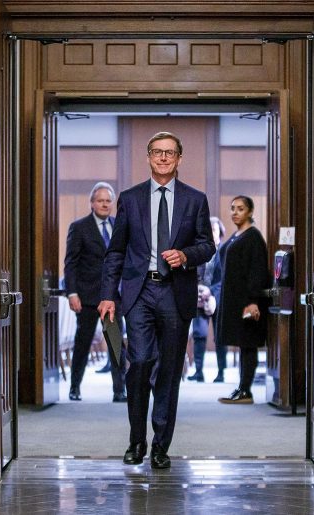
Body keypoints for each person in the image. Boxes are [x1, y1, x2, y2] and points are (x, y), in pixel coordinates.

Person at [98, 132, 215, 469]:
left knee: (168, 372)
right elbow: (116, 251)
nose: (163, 158)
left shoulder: (195, 200)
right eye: (157, 152)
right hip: (139, 293)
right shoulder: (130, 198)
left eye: (170, 153)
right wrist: (108, 295)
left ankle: (161, 446)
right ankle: (137, 441)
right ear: (148, 157)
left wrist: (186, 254)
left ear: (179, 158)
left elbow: (208, 245)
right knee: (140, 365)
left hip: (175, 293)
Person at [64, 182, 127, 403]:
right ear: (92, 203)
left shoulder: (118, 226)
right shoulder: (79, 227)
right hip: (87, 298)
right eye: (100, 200)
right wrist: (72, 293)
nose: (105, 204)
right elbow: (70, 263)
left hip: (112, 298)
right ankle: (74, 387)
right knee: (83, 344)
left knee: (116, 344)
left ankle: (120, 390)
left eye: (108, 200)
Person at [216, 195, 270, 405]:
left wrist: (253, 300)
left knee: (248, 344)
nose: (235, 212)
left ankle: (246, 390)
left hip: (248, 300)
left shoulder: (253, 237)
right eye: (232, 208)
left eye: (240, 208)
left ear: (250, 211)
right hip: (234, 300)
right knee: (242, 343)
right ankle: (241, 387)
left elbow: (257, 270)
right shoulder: (237, 235)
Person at [187, 217, 226, 383]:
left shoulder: (224, 251)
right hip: (198, 297)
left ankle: (221, 373)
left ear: (220, 233)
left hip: (218, 298)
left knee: (220, 336)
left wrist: (211, 291)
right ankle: (198, 371)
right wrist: (197, 289)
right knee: (199, 334)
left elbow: (225, 278)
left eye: (214, 231)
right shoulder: (198, 251)